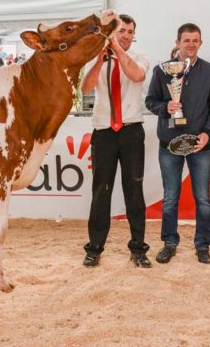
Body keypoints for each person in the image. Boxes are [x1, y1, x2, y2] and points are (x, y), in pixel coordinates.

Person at [145, 23, 210, 265]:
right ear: (177, 42)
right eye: (186, 40)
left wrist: (207, 134)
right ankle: (169, 243)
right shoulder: (161, 71)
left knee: (202, 198)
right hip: (170, 144)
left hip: (200, 145)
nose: (190, 44)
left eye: (195, 40)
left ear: (201, 42)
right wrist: (164, 108)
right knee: (170, 197)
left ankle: (202, 245)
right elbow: (150, 101)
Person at [80, 14, 152, 268]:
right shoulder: (98, 58)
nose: (126, 36)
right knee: (101, 191)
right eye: (122, 31)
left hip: (131, 131)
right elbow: (86, 89)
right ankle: (95, 248)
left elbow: (137, 76)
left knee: (134, 190)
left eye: (131, 32)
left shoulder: (139, 58)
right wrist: (99, 61)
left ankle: (138, 248)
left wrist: (117, 48)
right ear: (112, 32)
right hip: (104, 132)